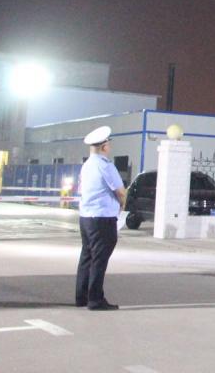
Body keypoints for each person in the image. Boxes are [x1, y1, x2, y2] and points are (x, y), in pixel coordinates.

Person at [75, 126, 125, 311]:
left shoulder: (87, 165)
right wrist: (122, 205)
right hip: (102, 218)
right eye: (108, 143)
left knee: (87, 256)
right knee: (99, 259)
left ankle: (81, 296)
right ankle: (95, 299)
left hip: (86, 217)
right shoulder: (105, 165)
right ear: (104, 146)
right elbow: (120, 191)